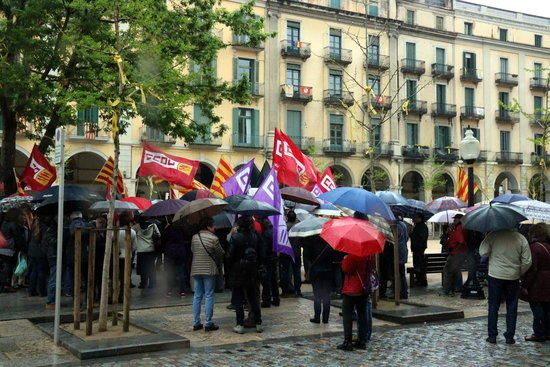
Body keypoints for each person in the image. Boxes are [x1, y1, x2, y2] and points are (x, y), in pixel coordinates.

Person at [480, 227, 532, 344]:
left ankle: (492, 335)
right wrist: (519, 272)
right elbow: (527, 261)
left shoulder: (493, 235)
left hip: (495, 275)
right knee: (512, 307)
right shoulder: (520, 238)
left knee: (493, 306)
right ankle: (509, 336)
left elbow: (483, 252)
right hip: (513, 277)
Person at [228, 216, 265, 334]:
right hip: (253, 270)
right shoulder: (256, 236)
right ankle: (258, 322)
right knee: (253, 297)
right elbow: (261, 253)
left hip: (238, 270)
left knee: (238, 298)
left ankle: (240, 324)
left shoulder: (236, 237)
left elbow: (230, 255)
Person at [190, 217, 224, 332]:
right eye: (213, 225)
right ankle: (208, 323)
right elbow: (220, 253)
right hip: (209, 270)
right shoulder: (213, 239)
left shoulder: (194, 238)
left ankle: (196, 322)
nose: (214, 228)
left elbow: (193, 250)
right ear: (209, 227)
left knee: (197, 296)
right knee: (209, 295)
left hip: (196, 269)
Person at [521, 223, 550, 342]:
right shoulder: (548, 246)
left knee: (537, 308)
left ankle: (538, 333)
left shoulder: (534, 247)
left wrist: (525, 285)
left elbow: (532, 269)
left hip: (539, 282)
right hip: (548, 281)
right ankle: (548, 332)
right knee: (548, 308)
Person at [338, 254, 369, 351]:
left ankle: (348, 342)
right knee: (362, 315)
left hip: (351, 290)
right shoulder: (368, 254)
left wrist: (344, 259)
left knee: (347, 316)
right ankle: (362, 340)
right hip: (363, 288)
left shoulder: (352, 255)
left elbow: (346, 269)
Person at [303, 236, 336, 324]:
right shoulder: (330, 243)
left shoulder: (311, 242)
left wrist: (308, 271)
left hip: (316, 272)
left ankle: (317, 317)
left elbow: (307, 257)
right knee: (326, 296)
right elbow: (334, 258)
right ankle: (325, 318)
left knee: (317, 295)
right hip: (328, 271)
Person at [163, 220, 191, 297]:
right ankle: (182, 291)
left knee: (170, 272)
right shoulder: (183, 228)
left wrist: (165, 229)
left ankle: (169, 290)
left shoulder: (168, 229)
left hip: (170, 252)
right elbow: (187, 237)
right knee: (181, 271)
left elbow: (163, 239)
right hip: (180, 251)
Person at [442, 214, 467, 296]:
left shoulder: (459, 228)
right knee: (456, 270)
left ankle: (447, 290)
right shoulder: (458, 228)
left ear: (460, 219)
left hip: (456, 253)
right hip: (459, 253)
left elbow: (461, 241)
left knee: (447, 270)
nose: (453, 220)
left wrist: (455, 250)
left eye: (455, 219)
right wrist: (449, 233)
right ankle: (457, 288)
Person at [134, 216, 160, 289]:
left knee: (142, 268)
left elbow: (131, 232)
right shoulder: (153, 225)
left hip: (140, 250)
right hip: (150, 249)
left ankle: (143, 283)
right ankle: (152, 283)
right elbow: (158, 235)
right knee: (151, 267)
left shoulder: (136, 227)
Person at [259, 218, 280, 308]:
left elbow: (264, 249)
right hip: (274, 257)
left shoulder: (265, 234)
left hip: (267, 259)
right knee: (274, 279)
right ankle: (276, 299)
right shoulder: (274, 231)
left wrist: (261, 259)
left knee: (266, 280)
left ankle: (266, 300)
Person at [27, 215, 48, 297]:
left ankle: (31, 290)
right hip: (40, 251)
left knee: (34, 271)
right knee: (41, 271)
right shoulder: (45, 227)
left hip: (32, 251)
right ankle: (42, 291)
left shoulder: (33, 227)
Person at [410, 214, 429, 286]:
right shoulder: (419, 226)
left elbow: (420, 238)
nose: (413, 219)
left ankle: (420, 280)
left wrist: (412, 233)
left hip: (418, 248)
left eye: (414, 217)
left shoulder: (421, 227)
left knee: (418, 265)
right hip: (418, 248)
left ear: (419, 218)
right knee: (418, 265)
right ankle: (420, 279)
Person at [396, 218, 409, 299]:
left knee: (398, 274)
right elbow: (407, 238)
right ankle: (404, 292)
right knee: (402, 274)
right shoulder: (403, 224)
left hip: (398, 253)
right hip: (403, 251)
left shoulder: (396, 226)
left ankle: (401, 292)